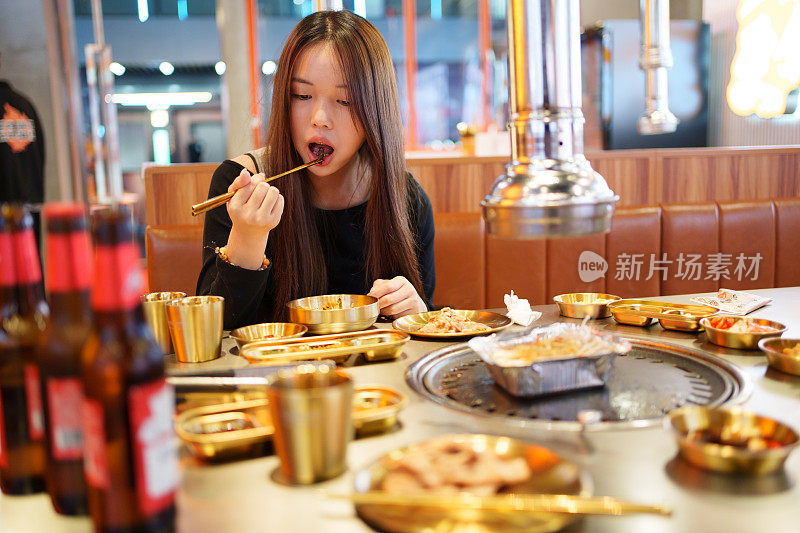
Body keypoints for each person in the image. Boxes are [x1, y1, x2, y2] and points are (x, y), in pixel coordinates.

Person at [197, 10, 435, 329]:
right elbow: (216, 332)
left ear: (375, 110)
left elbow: (423, 327)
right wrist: (248, 237)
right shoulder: (240, 184)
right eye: (302, 95)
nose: (320, 117)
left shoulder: (404, 197)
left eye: (346, 100)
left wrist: (417, 314)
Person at [0, 53, 45, 238]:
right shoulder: (26, 105)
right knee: (29, 263)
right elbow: (40, 154)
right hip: (30, 208)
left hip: (4, 215)